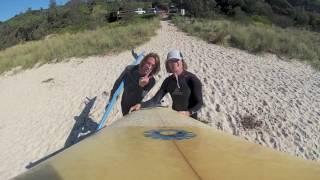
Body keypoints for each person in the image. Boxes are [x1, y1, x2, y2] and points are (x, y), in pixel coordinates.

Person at [130, 50, 203, 119]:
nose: (174, 63)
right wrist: (140, 105)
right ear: (167, 64)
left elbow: (200, 103)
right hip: (176, 117)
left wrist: (188, 113)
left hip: (191, 119)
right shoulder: (168, 81)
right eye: (171, 61)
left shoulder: (192, 79)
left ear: (182, 62)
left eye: (177, 60)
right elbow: (155, 100)